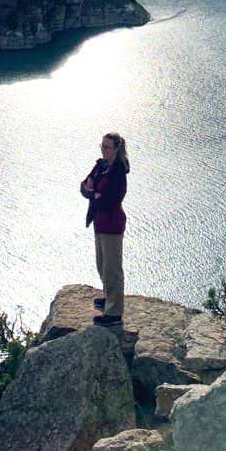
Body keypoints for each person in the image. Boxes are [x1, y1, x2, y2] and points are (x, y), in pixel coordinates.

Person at [80, 132, 129, 325]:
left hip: (112, 223)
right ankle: (109, 297)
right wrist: (91, 191)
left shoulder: (118, 171)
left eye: (107, 147)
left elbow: (111, 198)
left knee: (112, 268)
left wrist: (93, 193)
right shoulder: (101, 165)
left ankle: (114, 312)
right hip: (100, 222)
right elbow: (85, 185)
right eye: (102, 146)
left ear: (116, 149)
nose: (103, 150)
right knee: (102, 264)